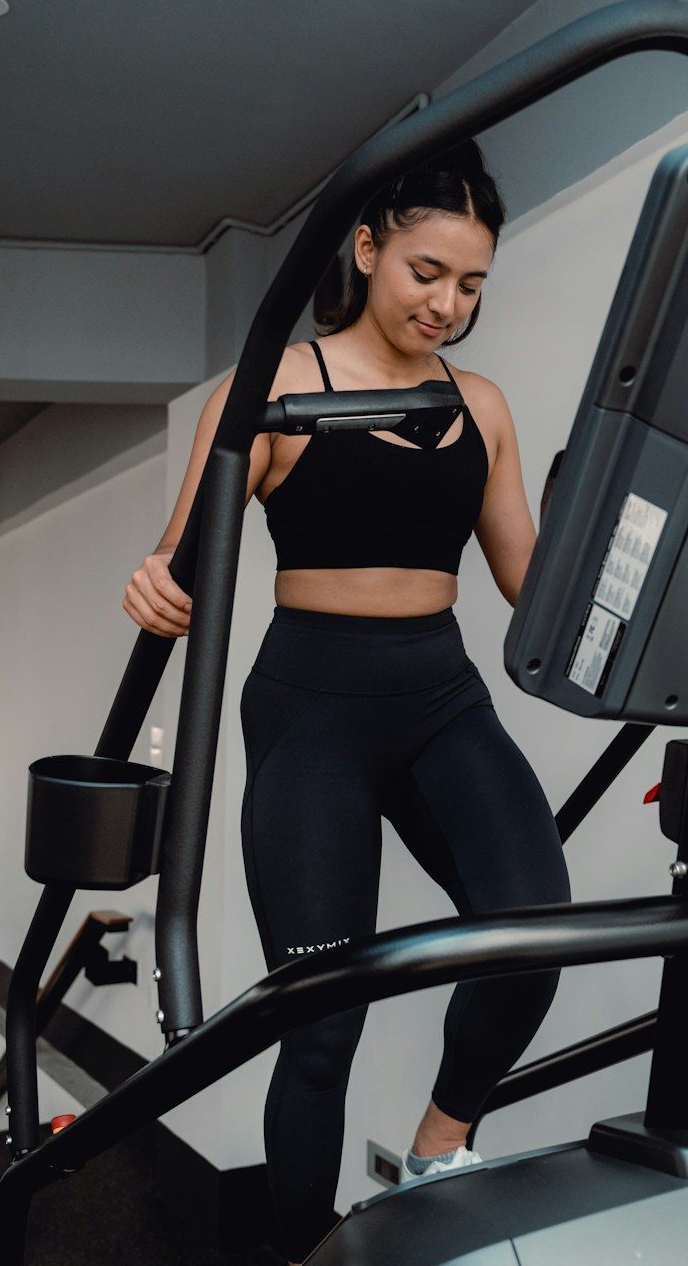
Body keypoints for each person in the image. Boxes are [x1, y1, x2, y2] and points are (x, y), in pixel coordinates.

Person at [120, 140, 570, 1265]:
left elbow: (534, 588)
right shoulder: (271, 390)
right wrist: (149, 582)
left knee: (534, 931)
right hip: (310, 706)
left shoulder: (483, 406)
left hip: (440, 695)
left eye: (470, 283)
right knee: (320, 1027)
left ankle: (440, 1140)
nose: (447, 303)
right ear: (367, 249)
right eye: (427, 271)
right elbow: (180, 563)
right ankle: (300, 1252)